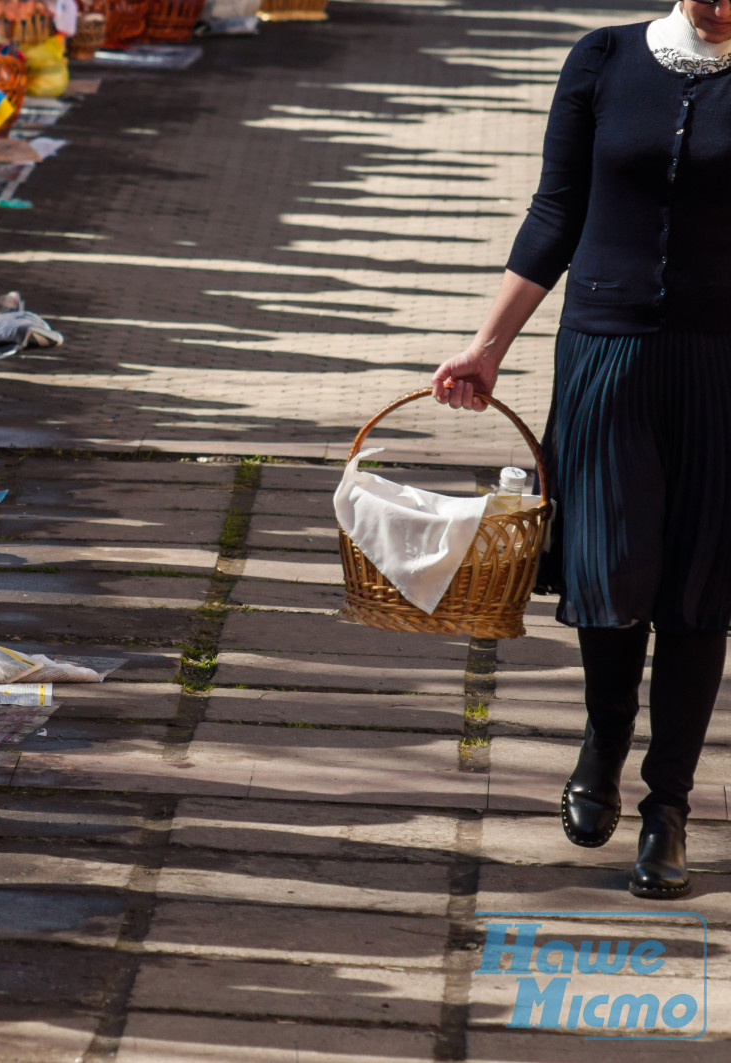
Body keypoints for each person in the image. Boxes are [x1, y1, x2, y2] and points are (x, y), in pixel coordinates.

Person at [433, 1, 731, 900]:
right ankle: (603, 745)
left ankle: (667, 806)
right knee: (610, 571)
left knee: (699, 585)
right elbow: (555, 211)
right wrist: (487, 345)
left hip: (722, 369)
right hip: (604, 357)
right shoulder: (601, 59)